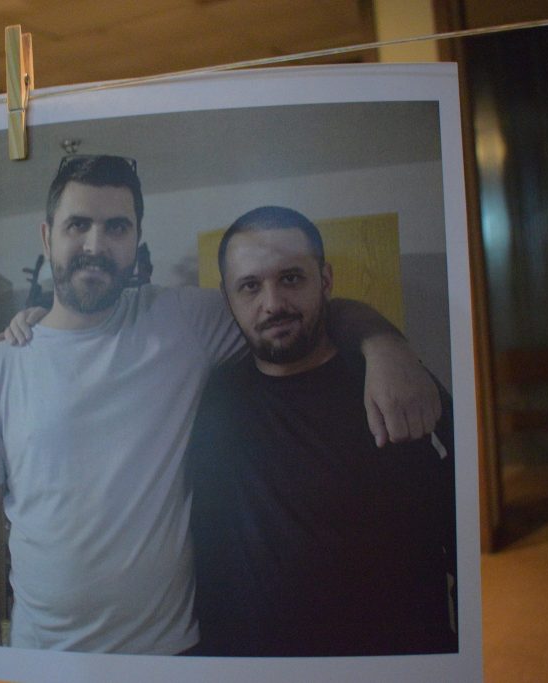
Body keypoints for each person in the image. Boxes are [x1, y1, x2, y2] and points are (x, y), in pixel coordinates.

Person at [0, 155, 440, 654]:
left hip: (172, 654)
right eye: (78, 225)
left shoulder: (182, 321)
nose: (96, 245)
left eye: (116, 227)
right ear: (47, 237)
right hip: (41, 657)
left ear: (136, 240)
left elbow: (291, 312)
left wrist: (384, 344)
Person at [188, 206, 457, 657]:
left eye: (291, 278)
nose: (272, 304)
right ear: (227, 297)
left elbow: (465, 524)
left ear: (325, 280)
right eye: (250, 286)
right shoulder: (209, 392)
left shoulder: (393, 388)